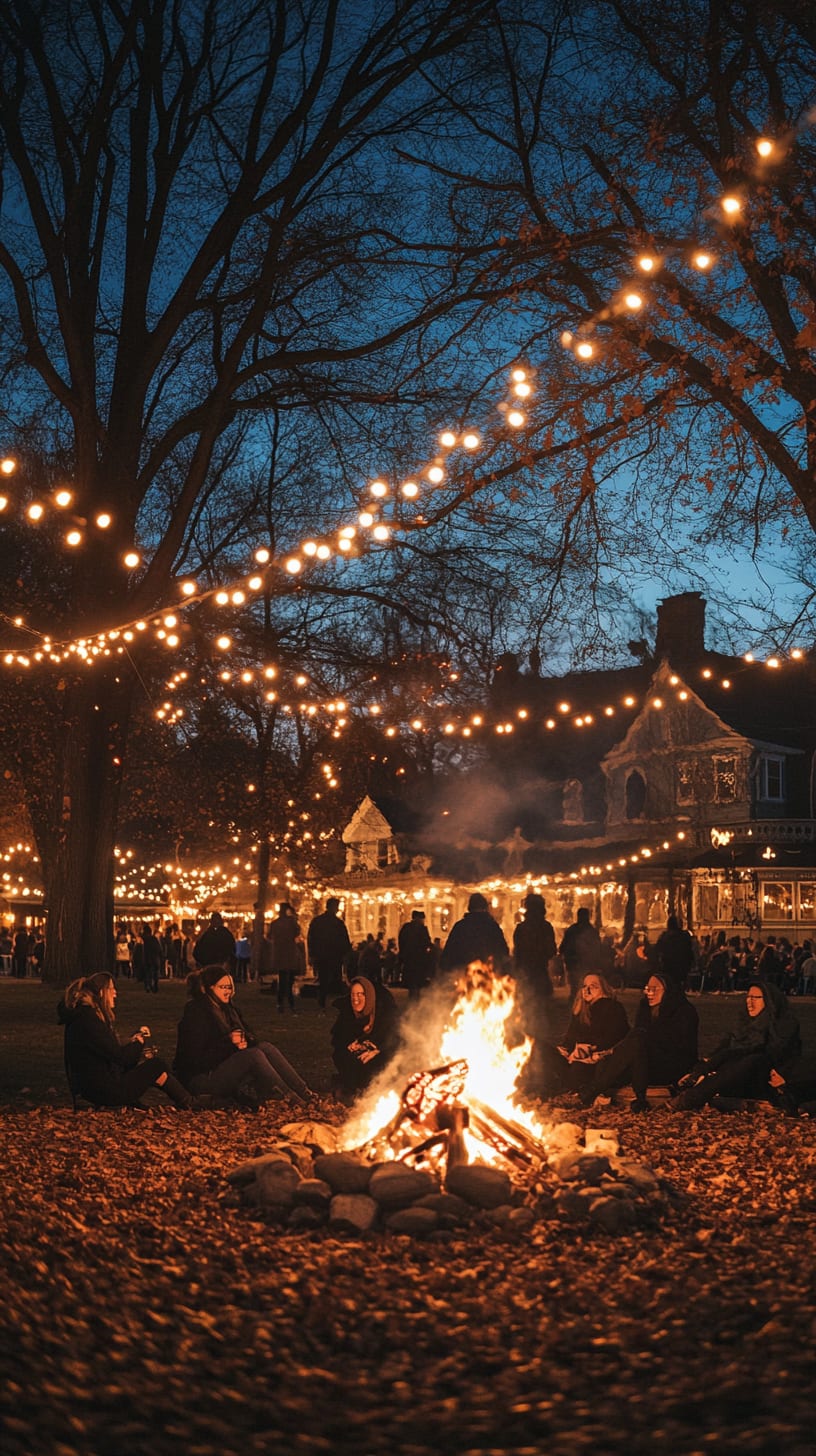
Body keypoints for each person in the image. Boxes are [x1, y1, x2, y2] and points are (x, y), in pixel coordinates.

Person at [174, 966, 310, 1105]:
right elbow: (195, 1060)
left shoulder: (228, 1009)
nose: (228, 991)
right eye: (223, 987)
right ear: (209, 988)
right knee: (253, 1056)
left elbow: (252, 1037)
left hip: (223, 1066)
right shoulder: (196, 1012)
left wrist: (246, 1040)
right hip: (201, 1078)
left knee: (265, 1047)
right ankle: (288, 1097)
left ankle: (305, 1093)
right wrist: (229, 1043)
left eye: (230, 987)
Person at [60, 972, 194, 1109]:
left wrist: (132, 1041)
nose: (115, 993)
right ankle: (188, 1101)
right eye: (111, 989)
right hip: (102, 1091)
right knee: (156, 1065)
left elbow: (108, 1049)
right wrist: (139, 1042)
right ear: (102, 993)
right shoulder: (89, 1022)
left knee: (151, 1068)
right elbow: (122, 1058)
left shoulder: (83, 1018)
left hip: (92, 1086)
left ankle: (185, 1100)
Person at [671, 979, 801, 1111]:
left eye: (756, 997)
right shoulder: (744, 1025)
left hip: (762, 1079)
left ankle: (693, 1096)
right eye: (748, 997)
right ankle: (696, 1085)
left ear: (769, 1000)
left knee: (754, 1059)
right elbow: (723, 1050)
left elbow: (778, 1056)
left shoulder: (782, 1026)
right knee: (721, 1059)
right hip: (734, 1076)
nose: (749, 1002)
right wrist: (702, 1067)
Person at [578, 973, 699, 1112]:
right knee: (626, 1048)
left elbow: (680, 1048)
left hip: (671, 1064)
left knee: (637, 1041)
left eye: (654, 989)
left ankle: (594, 1089)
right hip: (644, 1060)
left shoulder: (684, 1011)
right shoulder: (645, 1007)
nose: (649, 993)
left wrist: (645, 1040)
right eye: (647, 989)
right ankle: (638, 1098)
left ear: (667, 991)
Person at [538, 973, 629, 1097]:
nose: (587, 990)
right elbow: (570, 1038)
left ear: (604, 989)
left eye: (593, 986)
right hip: (574, 1058)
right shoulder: (581, 1011)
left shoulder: (613, 1007)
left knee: (577, 1069)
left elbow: (615, 1037)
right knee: (540, 1047)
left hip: (597, 1061)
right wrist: (564, 1049)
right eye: (585, 986)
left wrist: (586, 1049)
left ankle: (573, 1086)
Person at [331, 976, 401, 1097]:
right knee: (344, 1056)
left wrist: (377, 1049)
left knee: (380, 1061)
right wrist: (351, 1044)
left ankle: (377, 1088)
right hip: (359, 1054)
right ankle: (352, 1087)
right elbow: (338, 1038)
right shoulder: (347, 1013)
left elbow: (396, 1039)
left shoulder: (386, 1012)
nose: (355, 999)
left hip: (381, 1052)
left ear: (368, 996)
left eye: (360, 994)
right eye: (353, 994)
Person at [512, 893, 557, 1035]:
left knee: (526, 1009)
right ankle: (540, 1039)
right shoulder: (546, 927)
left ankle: (527, 1037)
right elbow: (551, 950)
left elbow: (517, 952)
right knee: (541, 1010)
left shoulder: (521, 928)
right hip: (540, 973)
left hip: (525, 975)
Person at [439, 892, 509, 973]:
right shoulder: (492, 926)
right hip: (489, 973)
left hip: (463, 972)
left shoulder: (460, 926)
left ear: (469, 908)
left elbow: (449, 952)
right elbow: (503, 951)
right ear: (485, 907)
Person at [307, 896, 352, 1010]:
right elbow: (344, 940)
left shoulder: (318, 922)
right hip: (333, 955)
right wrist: (346, 952)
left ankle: (323, 1000)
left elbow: (311, 938)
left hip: (323, 954)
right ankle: (333, 1001)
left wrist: (312, 953)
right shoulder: (337, 923)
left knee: (324, 978)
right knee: (334, 976)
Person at [267, 902, 302, 1013]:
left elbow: (269, 936)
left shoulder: (275, 923)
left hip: (280, 952)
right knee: (289, 978)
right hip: (289, 951)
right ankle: (289, 1002)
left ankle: (280, 1002)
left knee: (282, 978)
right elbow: (297, 932)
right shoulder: (291, 922)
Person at [559, 907, 602, 997]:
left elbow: (563, 946)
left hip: (577, 963)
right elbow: (597, 948)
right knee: (583, 986)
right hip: (583, 963)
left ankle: (577, 1004)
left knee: (576, 987)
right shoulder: (591, 931)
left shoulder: (573, 930)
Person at [398, 910, 434, 1000]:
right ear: (419, 918)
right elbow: (427, 942)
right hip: (419, 960)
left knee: (411, 981)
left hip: (408, 959)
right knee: (418, 981)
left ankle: (412, 997)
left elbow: (401, 942)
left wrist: (402, 955)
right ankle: (416, 998)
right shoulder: (422, 929)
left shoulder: (406, 928)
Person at [655, 914, 695, 988]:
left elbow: (658, 949)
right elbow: (689, 949)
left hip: (668, 964)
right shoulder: (684, 935)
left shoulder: (665, 936)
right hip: (682, 964)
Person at [141, 922, 163, 994]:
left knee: (148, 973)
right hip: (154, 959)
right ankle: (154, 986)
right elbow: (159, 949)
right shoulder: (154, 939)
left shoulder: (144, 940)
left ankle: (149, 986)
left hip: (147, 959)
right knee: (154, 974)